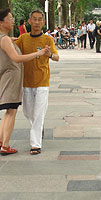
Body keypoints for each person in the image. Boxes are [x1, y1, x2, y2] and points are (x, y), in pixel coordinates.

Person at [0, 8, 47, 155]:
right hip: (11, 78)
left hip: (8, 77)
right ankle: (5, 145)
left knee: (9, 110)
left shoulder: (5, 38)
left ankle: (2, 141)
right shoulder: (4, 38)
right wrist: (37, 53)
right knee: (11, 111)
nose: (13, 20)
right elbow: (16, 58)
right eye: (10, 18)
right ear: (2, 22)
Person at [15, 9, 59, 155]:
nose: (37, 22)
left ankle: (35, 144)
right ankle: (38, 126)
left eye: (40, 19)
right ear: (29, 21)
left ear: (44, 22)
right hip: (26, 81)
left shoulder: (48, 40)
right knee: (28, 112)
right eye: (34, 19)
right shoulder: (23, 38)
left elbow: (57, 57)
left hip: (42, 81)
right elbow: (13, 47)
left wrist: (50, 54)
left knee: (38, 112)